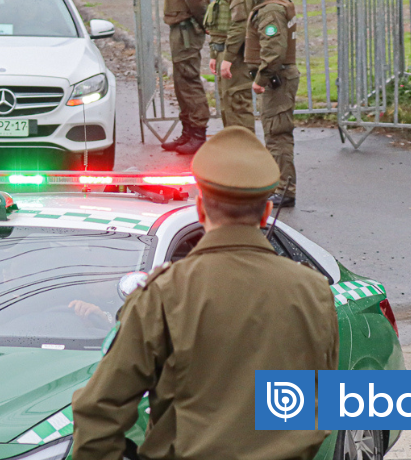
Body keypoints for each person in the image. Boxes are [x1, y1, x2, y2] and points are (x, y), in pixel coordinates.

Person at [71, 126, 338, 460]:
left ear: (201, 209)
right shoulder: (314, 292)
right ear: (266, 213)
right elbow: (321, 403)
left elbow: (100, 409)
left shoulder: (164, 295)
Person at [246, 0, 298, 209]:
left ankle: (284, 189)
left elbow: (274, 49)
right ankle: (280, 186)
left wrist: (261, 79)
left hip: (278, 79)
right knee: (277, 133)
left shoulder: (270, 10)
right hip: (281, 77)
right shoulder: (278, 3)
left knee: (277, 134)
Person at [156, 0, 210, 156]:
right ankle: (188, 130)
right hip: (181, 29)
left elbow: (196, 2)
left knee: (188, 80)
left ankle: (198, 133)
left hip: (187, 30)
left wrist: (205, 25)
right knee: (181, 81)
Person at [204, 0, 256, 131]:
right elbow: (219, 25)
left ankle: (246, 154)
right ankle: (236, 153)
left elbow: (239, 26)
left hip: (236, 57)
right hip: (224, 53)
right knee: (228, 107)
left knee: (237, 106)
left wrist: (227, 58)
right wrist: (214, 54)